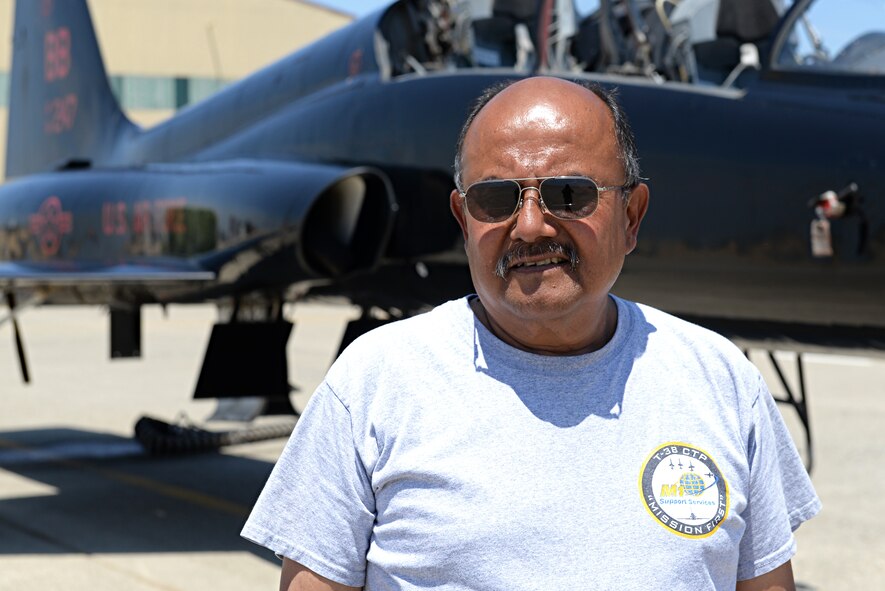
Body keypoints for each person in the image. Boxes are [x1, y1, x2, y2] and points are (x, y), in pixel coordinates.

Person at [241, 77, 820, 591]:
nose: (531, 225)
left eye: (570, 194)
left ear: (632, 217)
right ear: (464, 221)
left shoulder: (721, 381)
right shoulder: (373, 383)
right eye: (495, 199)